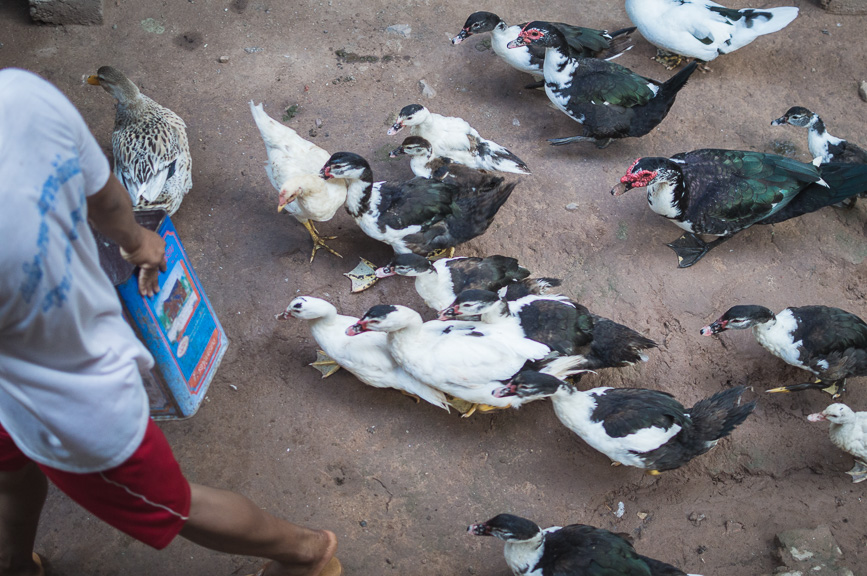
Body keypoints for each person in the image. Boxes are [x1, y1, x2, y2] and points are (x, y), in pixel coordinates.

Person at [0, 68, 342, 576]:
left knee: (171, 505)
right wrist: (138, 241)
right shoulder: (21, 95)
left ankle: (308, 552)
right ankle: (13, 564)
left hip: (66, 396)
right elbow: (108, 196)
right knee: (7, 471)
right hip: (35, 365)